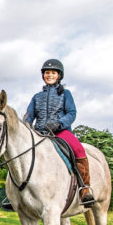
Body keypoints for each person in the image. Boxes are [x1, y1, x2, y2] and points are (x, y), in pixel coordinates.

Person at [24, 59, 95, 208]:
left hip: (60, 132)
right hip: (40, 133)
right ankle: (16, 193)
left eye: (53, 73)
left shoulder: (66, 94)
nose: (50, 75)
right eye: (47, 72)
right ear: (43, 75)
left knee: (78, 150)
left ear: (59, 75)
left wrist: (59, 123)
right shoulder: (37, 97)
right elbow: (29, 116)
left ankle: (85, 188)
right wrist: (26, 125)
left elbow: (72, 113)